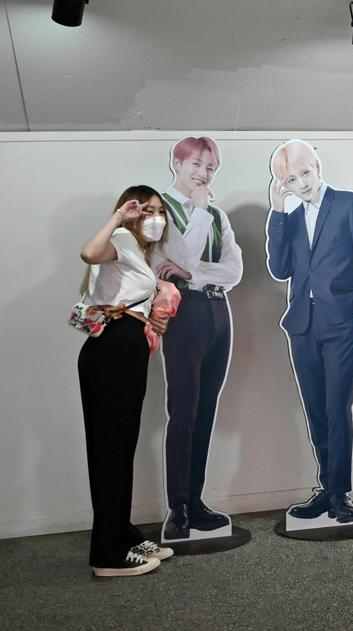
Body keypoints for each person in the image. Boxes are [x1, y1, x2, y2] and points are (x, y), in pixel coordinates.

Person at [266, 139, 353, 524]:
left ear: (317, 165)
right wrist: (277, 212)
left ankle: (340, 494)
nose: (302, 183)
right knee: (316, 409)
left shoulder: (349, 203)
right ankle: (326, 488)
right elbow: (280, 269)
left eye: (305, 173)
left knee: (337, 407)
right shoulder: (291, 218)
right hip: (302, 326)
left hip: (342, 323)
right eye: (291, 179)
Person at [78, 186, 175, 576]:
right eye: (146, 209)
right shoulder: (119, 237)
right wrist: (118, 217)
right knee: (111, 450)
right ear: (131, 212)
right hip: (113, 349)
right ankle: (107, 554)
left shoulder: (137, 252)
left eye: (160, 211)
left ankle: (121, 532)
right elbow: (88, 253)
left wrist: (154, 315)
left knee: (120, 447)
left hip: (126, 345)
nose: (155, 217)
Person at [153, 136, 243, 540]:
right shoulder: (159, 210)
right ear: (177, 162)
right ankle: (177, 508)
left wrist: (194, 274)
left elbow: (233, 272)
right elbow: (171, 264)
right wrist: (201, 214)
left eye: (210, 169)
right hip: (183, 314)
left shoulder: (219, 216)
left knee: (206, 410)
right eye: (197, 165)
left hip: (217, 313)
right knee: (183, 410)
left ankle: (196, 500)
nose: (204, 175)